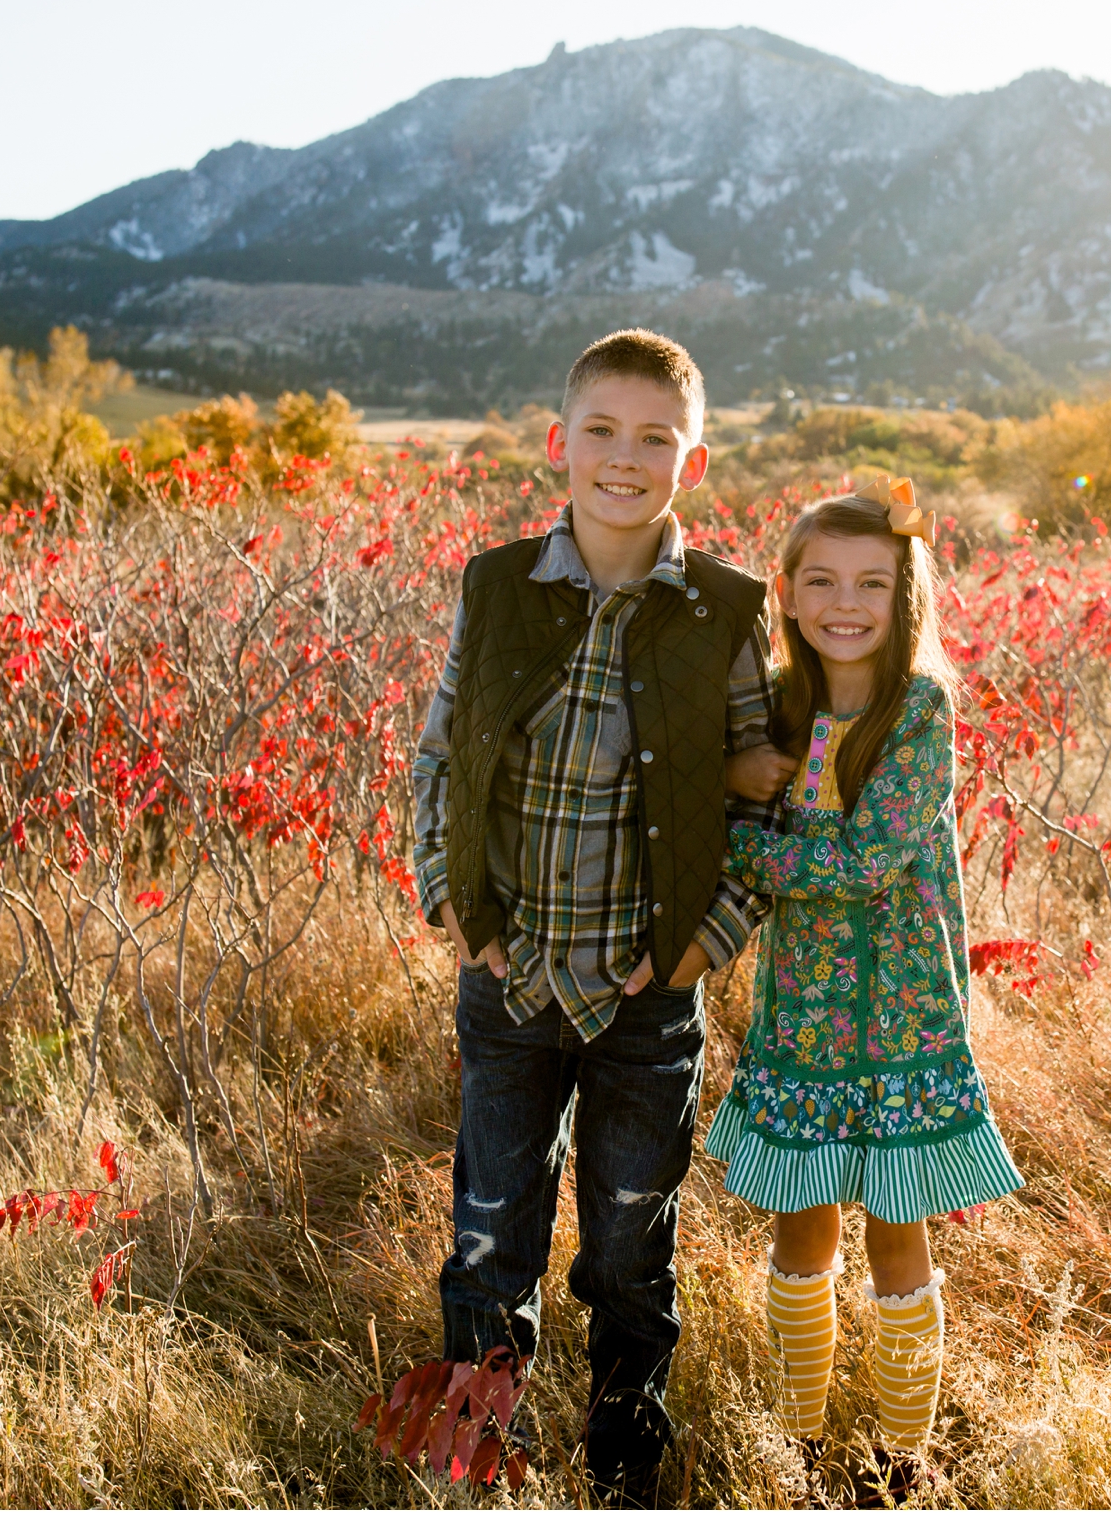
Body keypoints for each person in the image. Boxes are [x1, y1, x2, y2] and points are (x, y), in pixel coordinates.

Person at [409, 328, 778, 1506]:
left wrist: (700, 944)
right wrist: (452, 907)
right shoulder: (497, 586)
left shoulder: (723, 611)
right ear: (556, 443)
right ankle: (482, 1462)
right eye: (603, 431)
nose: (626, 457)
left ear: (696, 459)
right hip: (509, 985)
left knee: (629, 1247)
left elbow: (769, 802)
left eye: (656, 437)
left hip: (647, 998)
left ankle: (625, 1466)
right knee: (488, 1237)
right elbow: (435, 760)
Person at [708, 482, 1026, 1502]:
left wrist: (748, 838)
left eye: (873, 583)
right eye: (823, 580)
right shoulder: (773, 700)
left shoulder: (919, 710)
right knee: (801, 1227)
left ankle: (900, 1456)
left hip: (901, 1012)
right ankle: (799, 1446)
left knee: (895, 1227)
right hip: (801, 1006)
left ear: (907, 597)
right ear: (789, 593)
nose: (847, 602)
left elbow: (868, 859)